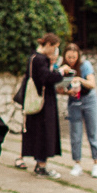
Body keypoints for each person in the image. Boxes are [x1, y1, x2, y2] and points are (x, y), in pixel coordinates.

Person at [19, 33, 64, 179]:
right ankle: (41, 166)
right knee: (45, 133)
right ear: (49, 45)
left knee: (38, 133)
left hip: (36, 101)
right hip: (43, 102)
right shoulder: (41, 59)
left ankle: (40, 164)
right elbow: (46, 78)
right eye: (55, 48)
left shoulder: (33, 57)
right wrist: (60, 73)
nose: (56, 51)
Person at [57, 42, 97, 177]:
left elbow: (92, 84)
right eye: (69, 57)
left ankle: (96, 164)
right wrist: (68, 92)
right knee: (75, 134)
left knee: (93, 132)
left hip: (89, 100)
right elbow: (58, 89)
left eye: (74, 57)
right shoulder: (63, 68)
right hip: (74, 101)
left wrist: (79, 80)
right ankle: (77, 164)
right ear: (65, 57)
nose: (71, 60)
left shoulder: (85, 65)